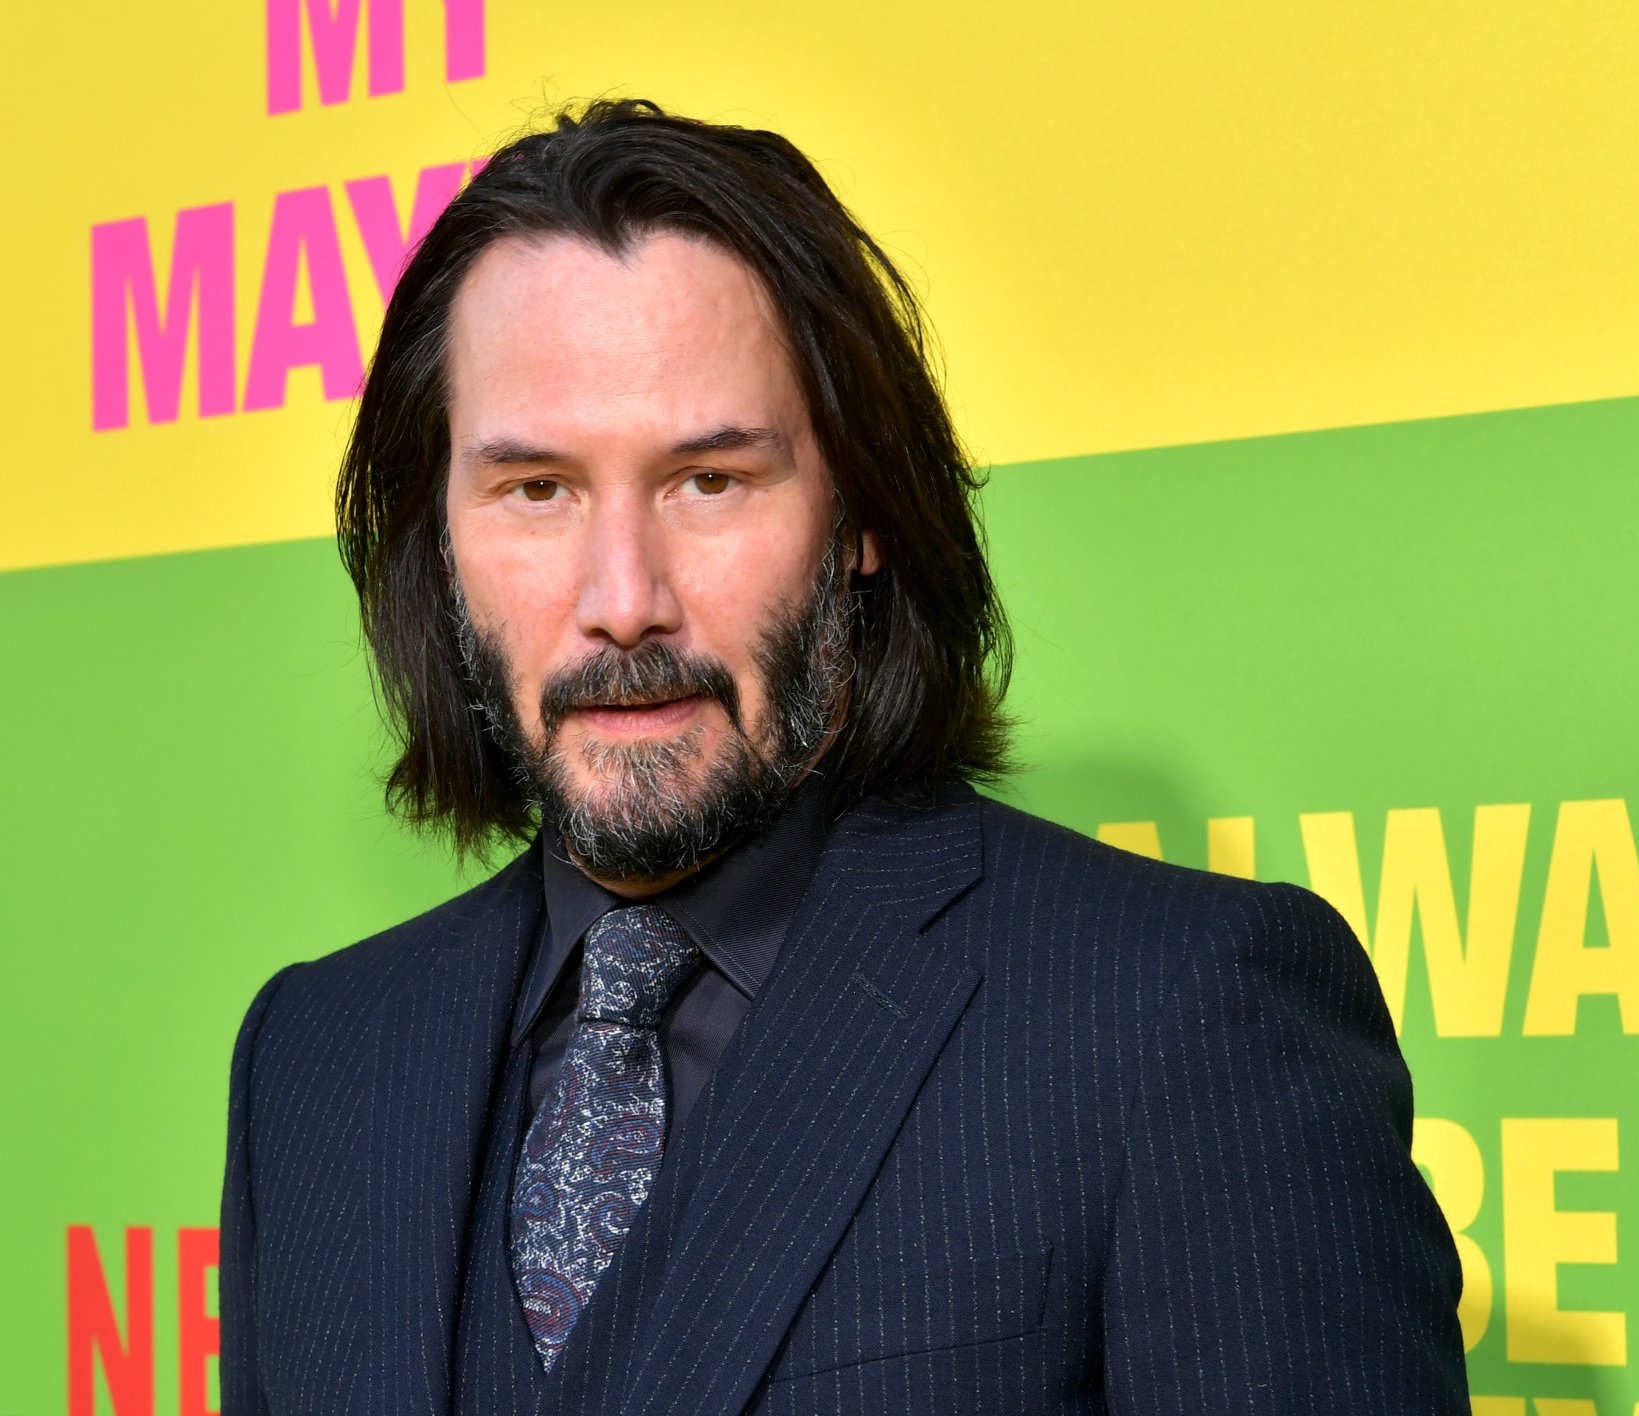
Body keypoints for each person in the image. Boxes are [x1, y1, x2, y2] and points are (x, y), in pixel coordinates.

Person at [219, 99, 1472, 1414]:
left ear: (861, 513)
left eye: (710, 480)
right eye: (537, 490)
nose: (623, 597)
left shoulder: (1179, 1021)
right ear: (442, 540)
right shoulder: (317, 1058)